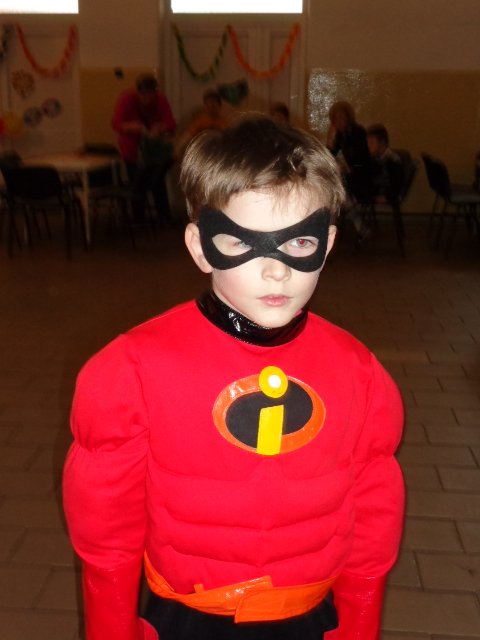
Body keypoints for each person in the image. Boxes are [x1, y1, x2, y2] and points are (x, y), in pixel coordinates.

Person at [63, 116, 404, 640]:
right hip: (187, 622)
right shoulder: (130, 372)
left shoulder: (360, 375)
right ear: (200, 247)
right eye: (243, 243)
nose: (276, 270)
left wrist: (358, 628)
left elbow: (375, 528)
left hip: (308, 620)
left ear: (329, 243)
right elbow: (105, 538)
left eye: (299, 242)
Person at [112, 74, 177, 224]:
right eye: (144, 94)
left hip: (153, 151)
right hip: (132, 150)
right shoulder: (127, 99)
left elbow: (171, 124)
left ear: (155, 93)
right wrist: (136, 127)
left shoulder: (160, 100)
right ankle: (138, 219)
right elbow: (116, 124)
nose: (147, 98)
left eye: (150, 94)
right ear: (137, 92)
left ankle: (163, 217)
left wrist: (161, 127)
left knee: (158, 182)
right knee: (137, 184)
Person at [327, 102, 373, 240]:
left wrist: (348, 170)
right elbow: (331, 155)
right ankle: (358, 221)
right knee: (335, 184)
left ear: (348, 118)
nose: (339, 122)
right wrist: (330, 138)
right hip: (352, 175)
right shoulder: (341, 135)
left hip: (364, 175)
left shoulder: (359, 132)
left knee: (339, 187)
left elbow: (362, 158)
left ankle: (354, 221)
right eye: (336, 120)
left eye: (342, 118)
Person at [175, 89, 230, 157]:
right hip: (203, 151)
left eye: (213, 107)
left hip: (219, 152)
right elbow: (187, 136)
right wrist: (178, 149)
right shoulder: (200, 122)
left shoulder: (225, 122)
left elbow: (230, 139)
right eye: (208, 107)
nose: (211, 110)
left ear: (220, 107)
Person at [366, 124, 404, 204]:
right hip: (376, 193)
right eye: (367, 142)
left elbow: (397, 185)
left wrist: (386, 197)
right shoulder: (374, 159)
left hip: (387, 196)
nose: (368, 145)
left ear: (382, 142)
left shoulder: (392, 160)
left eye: (371, 142)